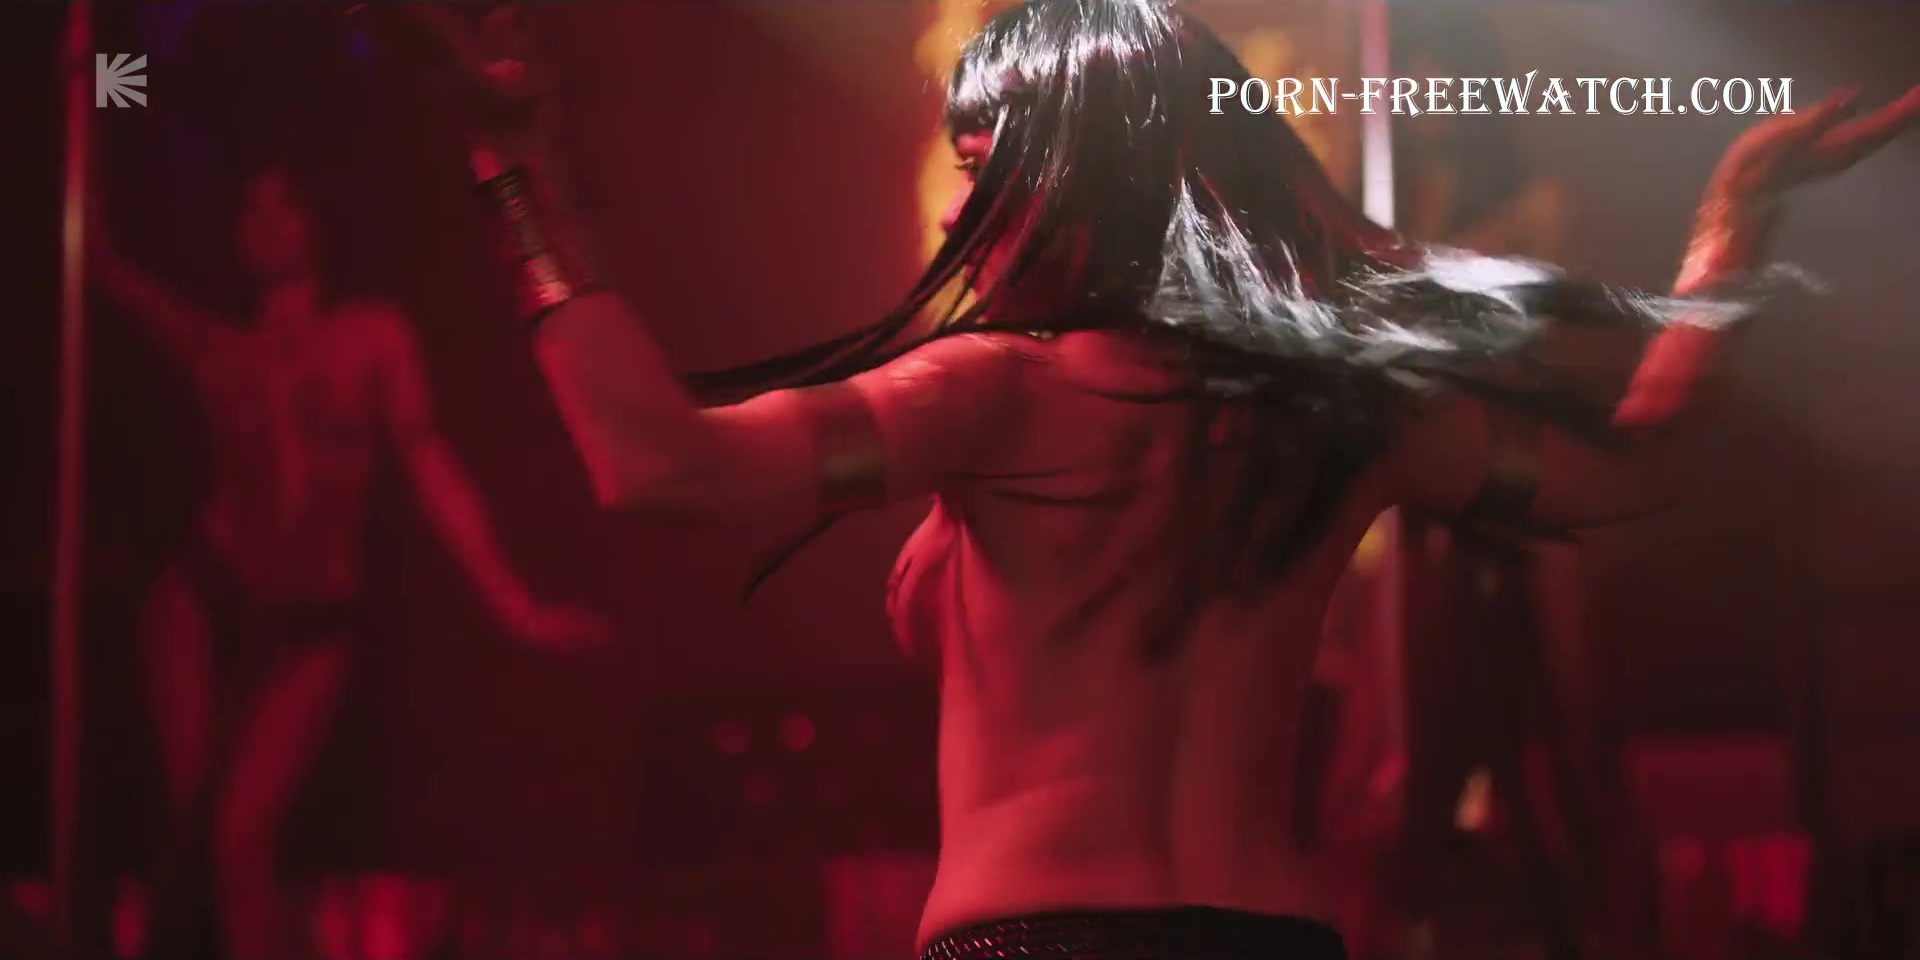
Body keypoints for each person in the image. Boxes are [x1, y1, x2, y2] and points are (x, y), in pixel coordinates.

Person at [441, 1, 1919, 956]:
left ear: (1081, 181)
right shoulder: (1338, 418)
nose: (951, 208)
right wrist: (1732, 226)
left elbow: (656, 462)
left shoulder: (991, 397)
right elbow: (1640, 468)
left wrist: (521, 182)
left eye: (978, 160)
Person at [88, 161, 608, 959]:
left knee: (237, 836)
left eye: (285, 206)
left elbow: (429, 466)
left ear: (318, 224)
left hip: (312, 619)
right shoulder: (218, 346)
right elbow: (104, 269)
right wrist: (95, 105)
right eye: (252, 210)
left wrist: (514, 604)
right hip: (207, 591)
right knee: (197, 832)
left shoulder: (370, 338)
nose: (268, 224)